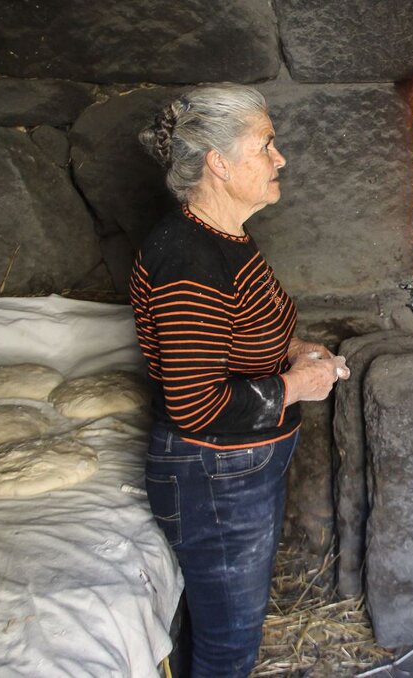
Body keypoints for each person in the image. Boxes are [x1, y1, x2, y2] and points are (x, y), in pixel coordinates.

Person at [131, 84, 349, 677]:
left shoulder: (223, 235)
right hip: (214, 478)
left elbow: (237, 333)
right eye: (266, 146)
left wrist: (297, 349)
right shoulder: (189, 261)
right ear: (218, 164)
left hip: (239, 469)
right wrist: (299, 386)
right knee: (229, 648)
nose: (279, 159)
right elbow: (194, 404)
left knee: (224, 627)